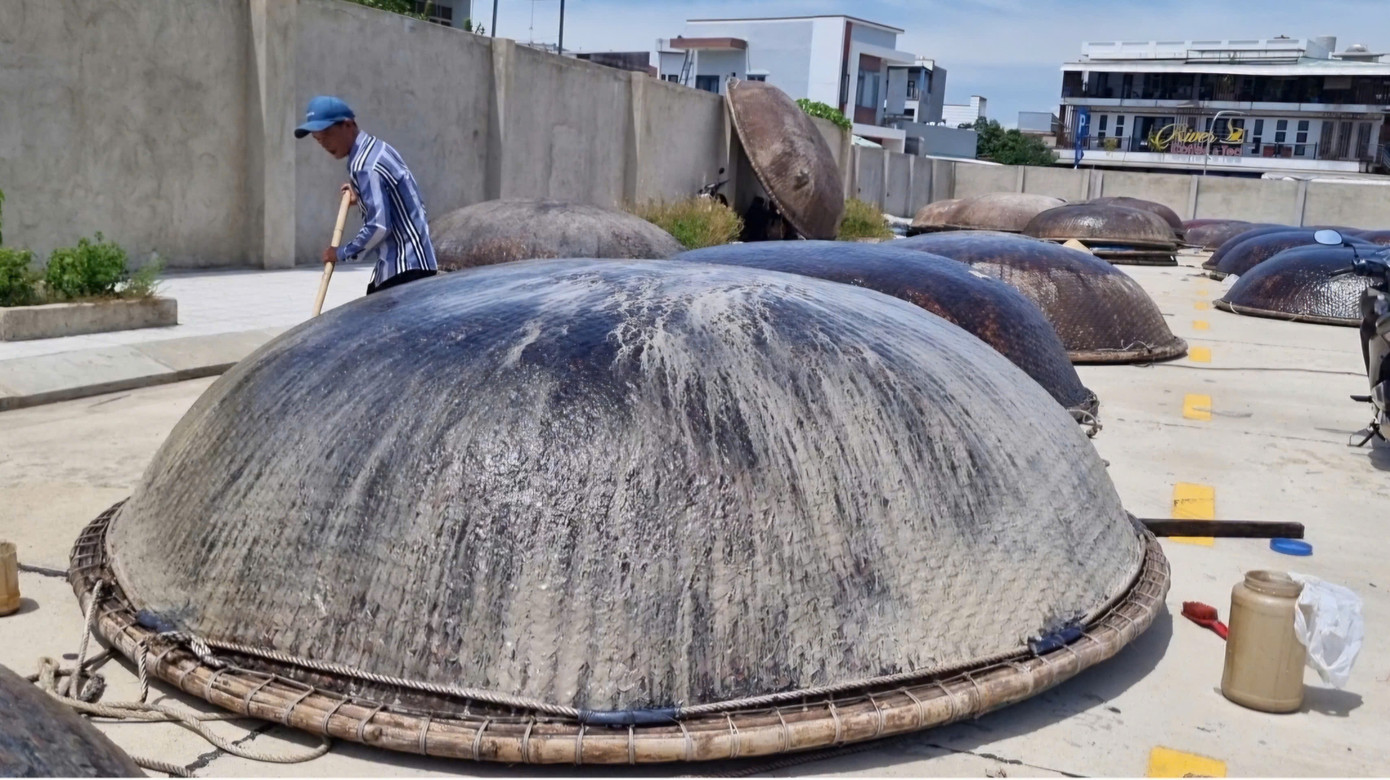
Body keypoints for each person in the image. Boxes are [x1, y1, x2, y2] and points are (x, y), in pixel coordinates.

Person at [294, 95, 438, 295]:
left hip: (404, 269)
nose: (323, 143)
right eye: (317, 138)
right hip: (415, 263)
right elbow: (396, 197)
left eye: (327, 134)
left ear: (348, 125)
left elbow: (379, 226)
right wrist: (360, 197)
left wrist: (342, 253)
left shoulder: (365, 165)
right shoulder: (378, 148)